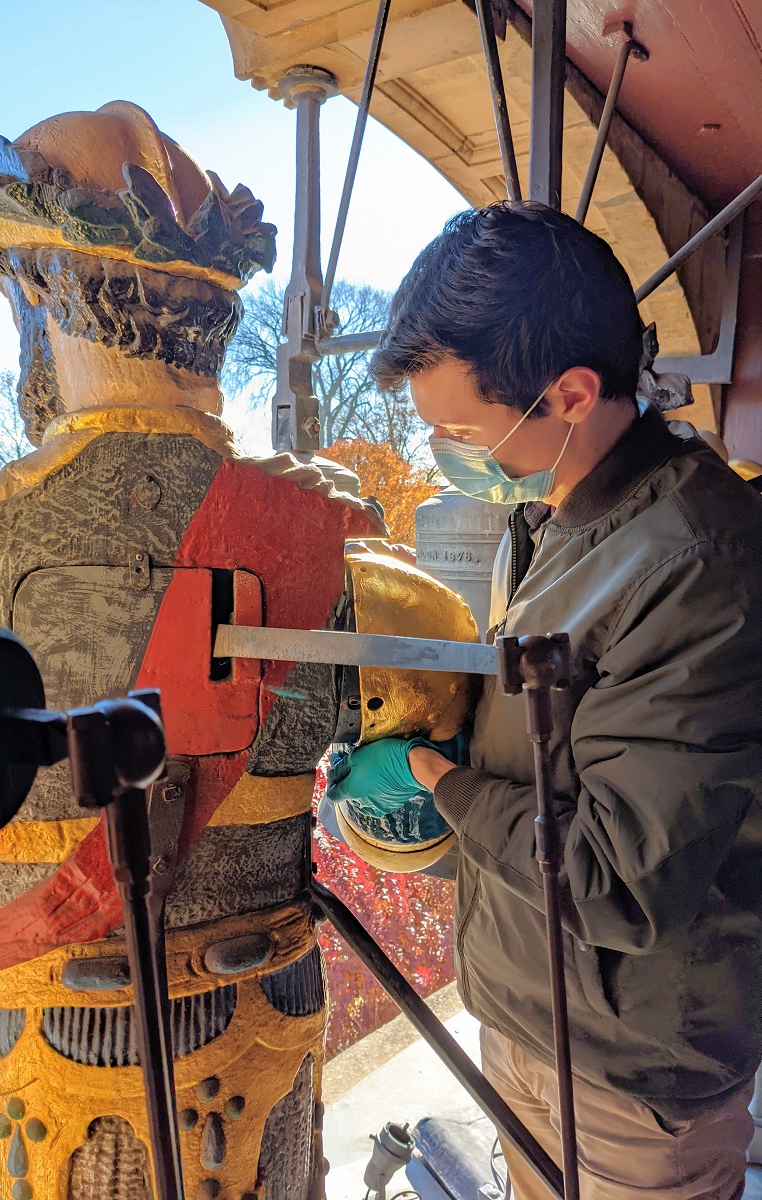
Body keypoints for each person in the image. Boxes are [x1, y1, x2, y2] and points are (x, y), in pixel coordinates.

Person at [330, 202, 762, 1199]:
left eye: (458, 431)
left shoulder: (697, 564)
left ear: (570, 394)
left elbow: (620, 879)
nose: (442, 451)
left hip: (632, 1073)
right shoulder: (551, 522)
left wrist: (436, 781)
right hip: (528, 1018)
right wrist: (445, 758)